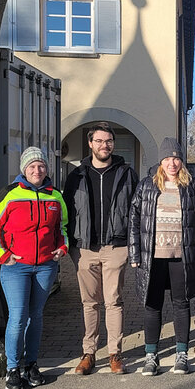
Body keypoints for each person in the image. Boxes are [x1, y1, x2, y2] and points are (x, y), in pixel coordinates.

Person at [0, 147, 68, 389]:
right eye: (32, 166)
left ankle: (31, 365)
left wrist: (62, 248)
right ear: (24, 170)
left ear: (46, 169)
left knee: (36, 317)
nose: (37, 170)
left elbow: (62, 228)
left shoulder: (55, 196)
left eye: (41, 165)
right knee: (18, 317)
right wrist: (2, 255)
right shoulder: (9, 194)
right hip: (16, 267)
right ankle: (13, 368)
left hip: (45, 266)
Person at [128, 138, 195, 376]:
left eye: (176, 158)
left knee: (181, 304)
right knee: (152, 305)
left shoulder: (194, 186)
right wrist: (135, 253)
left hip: (181, 256)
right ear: (161, 161)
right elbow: (133, 221)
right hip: (152, 257)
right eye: (167, 158)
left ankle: (181, 354)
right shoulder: (146, 186)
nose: (172, 163)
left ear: (181, 161)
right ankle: (151, 356)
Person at [63, 122, 139, 375]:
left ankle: (115, 353)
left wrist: (133, 242)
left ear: (113, 144)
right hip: (85, 248)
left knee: (114, 301)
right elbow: (66, 213)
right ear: (90, 143)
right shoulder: (76, 175)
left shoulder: (126, 173)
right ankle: (89, 353)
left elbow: (136, 211)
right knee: (89, 302)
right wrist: (68, 244)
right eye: (99, 141)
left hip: (116, 246)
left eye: (108, 141)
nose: (104, 145)